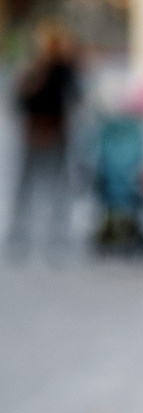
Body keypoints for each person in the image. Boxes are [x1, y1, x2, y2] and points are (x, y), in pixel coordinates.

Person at [7, 21, 80, 259]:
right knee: (27, 187)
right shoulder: (33, 69)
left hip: (55, 133)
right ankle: (21, 234)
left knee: (57, 188)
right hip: (35, 133)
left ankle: (56, 235)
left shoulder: (64, 69)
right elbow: (19, 100)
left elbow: (75, 98)